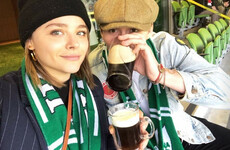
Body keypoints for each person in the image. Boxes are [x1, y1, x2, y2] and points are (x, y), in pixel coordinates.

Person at [89, 0, 230, 149]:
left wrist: (161, 75)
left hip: (177, 131)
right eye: (113, 30)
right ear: (101, 32)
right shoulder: (93, 67)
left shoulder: (164, 46)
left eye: (134, 30)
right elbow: (97, 125)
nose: (124, 41)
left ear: (150, 29)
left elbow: (226, 92)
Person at [0, 0, 117, 149]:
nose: (74, 43)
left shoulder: (92, 87)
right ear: (30, 41)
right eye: (57, 32)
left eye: (80, 33)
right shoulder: (5, 96)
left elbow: (105, 143)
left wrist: (120, 144)